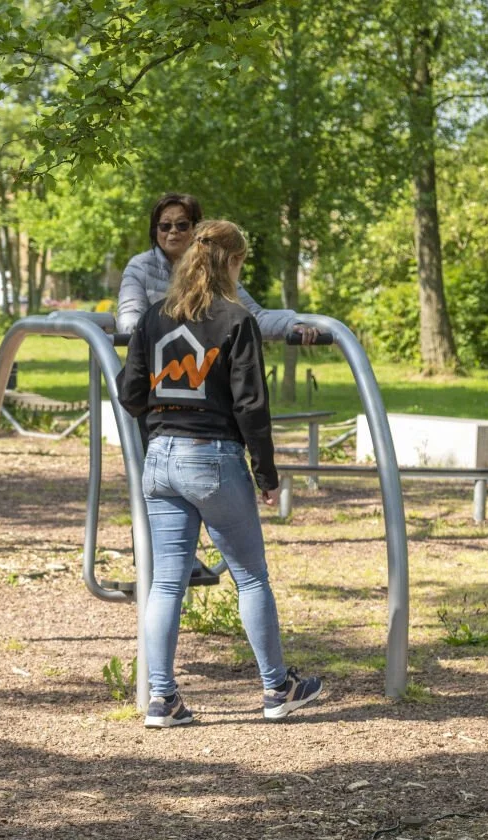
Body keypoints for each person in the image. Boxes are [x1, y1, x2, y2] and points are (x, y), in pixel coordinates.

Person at [118, 219, 324, 727]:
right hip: (212, 456)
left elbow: (129, 393)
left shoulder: (153, 317)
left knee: (166, 584)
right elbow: (252, 405)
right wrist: (267, 473)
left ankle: (162, 699)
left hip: (161, 456)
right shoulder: (235, 319)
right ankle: (277, 687)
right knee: (251, 577)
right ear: (232, 262)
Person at [116, 192, 321, 345]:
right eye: (165, 226)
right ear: (155, 230)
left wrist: (292, 325)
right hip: (160, 368)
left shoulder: (212, 267)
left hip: (204, 374)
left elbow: (251, 316)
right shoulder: (140, 268)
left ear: (196, 229)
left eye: (182, 225)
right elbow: (129, 321)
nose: (173, 232)